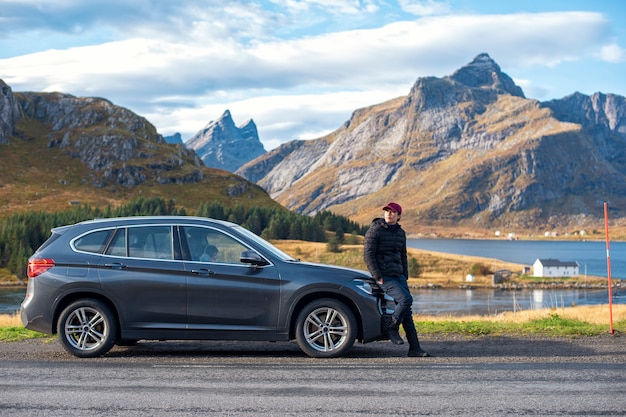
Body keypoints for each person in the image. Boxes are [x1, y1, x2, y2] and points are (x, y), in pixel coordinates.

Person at [363, 202, 429, 357]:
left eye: (393, 212)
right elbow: (368, 254)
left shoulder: (401, 233)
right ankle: (391, 327)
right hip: (384, 276)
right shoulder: (375, 230)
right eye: (387, 211)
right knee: (406, 300)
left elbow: (403, 255)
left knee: (407, 311)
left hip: (398, 276)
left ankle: (415, 348)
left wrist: (404, 275)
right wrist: (377, 275)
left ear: (399, 216)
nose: (389, 213)